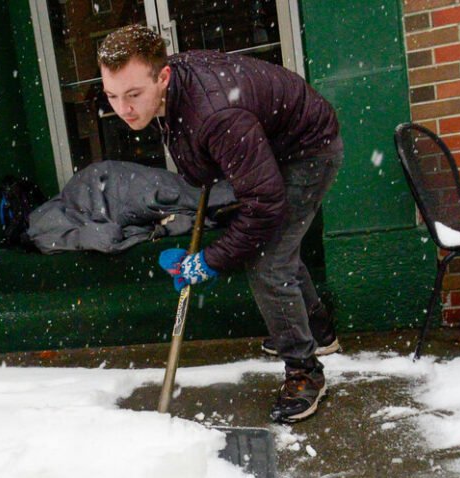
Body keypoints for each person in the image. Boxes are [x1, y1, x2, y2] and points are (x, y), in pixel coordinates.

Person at [97, 25, 343, 423]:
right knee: (278, 245)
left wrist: (209, 259)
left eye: (133, 95)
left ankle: (305, 372)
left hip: (307, 150)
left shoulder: (217, 117)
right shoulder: (176, 91)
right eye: (112, 96)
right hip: (272, 139)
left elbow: (264, 206)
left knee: (267, 260)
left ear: (162, 77)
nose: (123, 109)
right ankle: (317, 328)